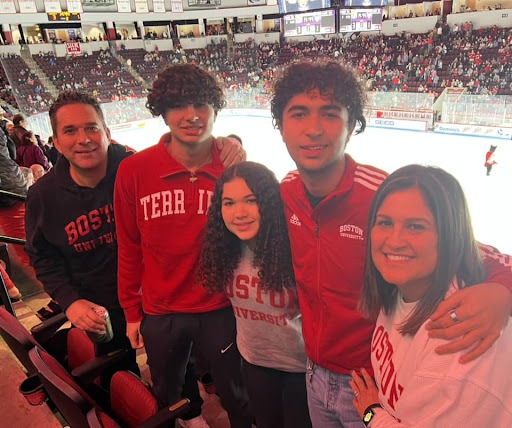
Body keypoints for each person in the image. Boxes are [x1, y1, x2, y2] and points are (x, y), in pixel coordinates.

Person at [270, 59, 512, 428]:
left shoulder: (382, 198)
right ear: (281, 127)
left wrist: (502, 291)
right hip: (314, 374)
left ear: (352, 126)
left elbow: (477, 251)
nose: (314, 130)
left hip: (373, 386)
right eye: (299, 114)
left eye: (330, 114)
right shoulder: (286, 191)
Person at [115, 64, 252, 428]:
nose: (192, 115)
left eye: (203, 104)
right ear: (162, 112)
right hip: (161, 310)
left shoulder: (233, 168)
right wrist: (131, 311)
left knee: (237, 392)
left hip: (222, 306)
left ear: (216, 110)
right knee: (170, 392)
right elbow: (128, 246)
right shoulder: (133, 171)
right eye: (179, 106)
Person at [351, 165, 512, 426]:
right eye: (385, 222)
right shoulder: (402, 289)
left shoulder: (457, 336)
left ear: (449, 235)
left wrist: (371, 412)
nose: (394, 240)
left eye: (415, 226)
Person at [24, 91, 140, 384]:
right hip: (99, 307)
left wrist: (222, 147)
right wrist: (70, 302)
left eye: (91, 127)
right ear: (57, 142)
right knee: (120, 373)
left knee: (178, 360)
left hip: (155, 292)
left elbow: (183, 161)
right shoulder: (42, 197)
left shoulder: (135, 169)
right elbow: (43, 258)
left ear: (107, 133)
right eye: (70, 131)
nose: (83, 138)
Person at [198, 161, 311, 428]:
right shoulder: (224, 249)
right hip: (254, 363)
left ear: (269, 203)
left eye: (251, 200)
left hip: (301, 370)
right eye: (229, 203)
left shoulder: (296, 248)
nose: (239, 213)